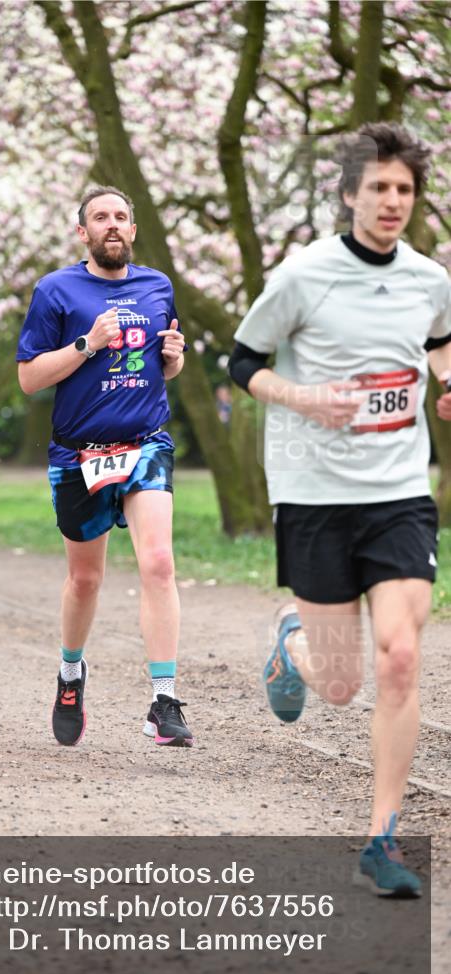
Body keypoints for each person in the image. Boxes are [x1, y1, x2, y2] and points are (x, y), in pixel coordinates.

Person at [229, 123, 451, 896]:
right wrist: (301, 397)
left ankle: (380, 839)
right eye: (379, 188)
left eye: (404, 189)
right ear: (350, 193)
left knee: (399, 655)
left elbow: (439, 342)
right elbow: (242, 360)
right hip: (315, 496)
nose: (392, 201)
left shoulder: (429, 278)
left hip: (396, 492)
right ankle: (290, 644)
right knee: (337, 686)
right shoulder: (303, 276)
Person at [17, 185, 193, 748]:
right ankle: (71, 673)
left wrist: (174, 361)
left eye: (121, 216)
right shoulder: (55, 291)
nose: (111, 224)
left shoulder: (158, 286)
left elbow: (160, 367)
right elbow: (29, 377)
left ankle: (164, 700)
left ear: (133, 229)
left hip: (145, 444)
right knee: (86, 578)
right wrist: (87, 345)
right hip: (78, 453)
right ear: (83, 232)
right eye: (100, 217)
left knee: (159, 563)